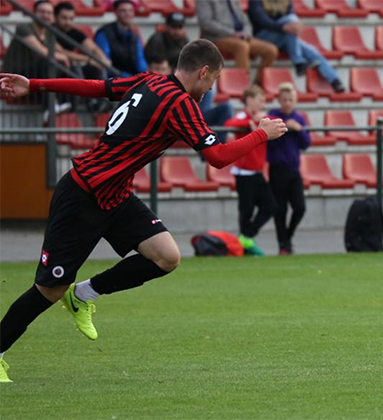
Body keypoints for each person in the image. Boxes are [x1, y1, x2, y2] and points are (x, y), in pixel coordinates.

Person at [0, 39, 288, 383]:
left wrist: (35, 84)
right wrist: (261, 134)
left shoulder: (148, 80)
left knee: (166, 256)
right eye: (211, 82)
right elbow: (218, 157)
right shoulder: (180, 103)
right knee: (48, 290)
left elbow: (97, 87)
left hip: (115, 194)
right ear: (203, 71)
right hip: (83, 195)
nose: (210, 89)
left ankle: (84, 295)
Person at [248, 0, 345, 93]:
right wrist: (282, 27)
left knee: (310, 50)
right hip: (263, 35)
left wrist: (292, 27)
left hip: (285, 35)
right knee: (291, 23)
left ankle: (334, 80)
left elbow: (291, 15)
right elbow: (260, 20)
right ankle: (298, 61)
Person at [225, 85, 278, 256]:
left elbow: (273, 120)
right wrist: (250, 122)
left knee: (270, 205)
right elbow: (230, 123)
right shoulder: (243, 117)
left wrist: (258, 121)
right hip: (244, 172)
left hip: (257, 171)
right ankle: (245, 242)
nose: (261, 105)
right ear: (249, 100)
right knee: (246, 209)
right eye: (259, 100)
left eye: (263, 101)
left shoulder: (262, 118)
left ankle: (246, 236)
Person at [267, 82, 311, 255]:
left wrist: (299, 130)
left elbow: (306, 143)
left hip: (293, 170)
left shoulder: (298, 119)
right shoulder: (273, 117)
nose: (287, 103)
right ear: (279, 100)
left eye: (290, 100)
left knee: (299, 207)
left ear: (295, 101)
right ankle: (283, 244)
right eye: (284, 100)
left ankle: (288, 236)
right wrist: (285, 126)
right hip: (277, 169)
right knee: (280, 209)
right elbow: (267, 137)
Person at [196, 0, 278, 86]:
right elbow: (206, 23)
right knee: (242, 46)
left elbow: (244, 18)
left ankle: (258, 85)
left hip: (240, 36)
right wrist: (232, 33)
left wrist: (247, 32)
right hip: (218, 37)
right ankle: (245, 86)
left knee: (271, 50)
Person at [2, 1, 71, 78]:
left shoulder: (49, 33)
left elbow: (62, 51)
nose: (45, 15)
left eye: (49, 13)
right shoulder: (24, 28)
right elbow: (41, 52)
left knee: (72, 67)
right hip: (16, 72)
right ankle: (49, 89)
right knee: (48, 63)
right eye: (42, 12)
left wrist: (85, 58)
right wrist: (63, 58)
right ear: (34, 13)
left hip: (34, 72)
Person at [54, 1, 111, 80]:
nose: (67, 22)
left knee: (99, 67)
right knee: (74, 65)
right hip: (54, 66)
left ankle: (102, 90)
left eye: (71, 18)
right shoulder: (49, 31)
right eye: (64, 18)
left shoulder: (73, 31)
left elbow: (93, 48)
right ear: (55, 16)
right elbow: (62, 52)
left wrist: (102, 58)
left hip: (70, 66)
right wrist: (89, 60)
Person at [95, 0, 147, 78]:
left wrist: (144, 76)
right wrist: (123, 76)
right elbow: (105, 64)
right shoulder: (104, 33)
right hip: (112, 80)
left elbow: (141, 63)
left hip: (132, 80)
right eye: (123, 11)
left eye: (130, 10)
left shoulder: (134, 36)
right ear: (116, 13)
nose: (128, 14)